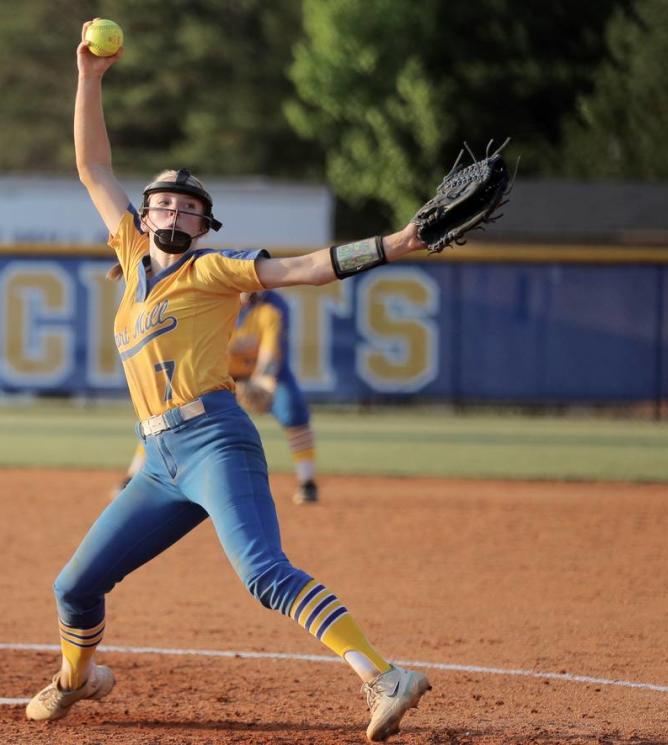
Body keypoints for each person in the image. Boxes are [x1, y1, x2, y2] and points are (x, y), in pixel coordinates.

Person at [25, 20, 433, 742]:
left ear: (204, 225)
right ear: (143, 217)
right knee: (73, 586)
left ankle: (384, 676)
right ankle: (77, 677)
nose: (173, 211)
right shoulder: (127, 248)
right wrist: (89, 78)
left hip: (216, 440)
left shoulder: (214, 270)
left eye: (189, 208)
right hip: (156, 462)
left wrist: (392, 245)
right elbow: (92, 166)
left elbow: (301, 269)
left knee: (263, 572)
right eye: (162, 203)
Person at [115, 289, 320, 504]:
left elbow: (269, 358)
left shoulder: (270, 309)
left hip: (260, 376)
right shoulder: (215, 302)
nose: (251, 288)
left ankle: (307, 481)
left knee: (292, 409)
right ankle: (134, 474)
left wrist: (261, 384)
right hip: (220, 373)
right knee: (168, 412)